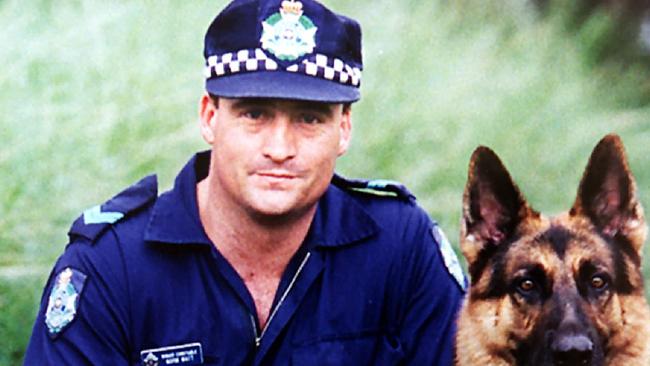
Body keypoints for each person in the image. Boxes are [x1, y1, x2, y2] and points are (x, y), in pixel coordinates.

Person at [24, 0, 466, 364]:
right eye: (254, 114)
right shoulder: (111, 265)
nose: (279, 147)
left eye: (309, 119)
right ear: (210, 117)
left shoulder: (402, 245)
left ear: (344, 129)